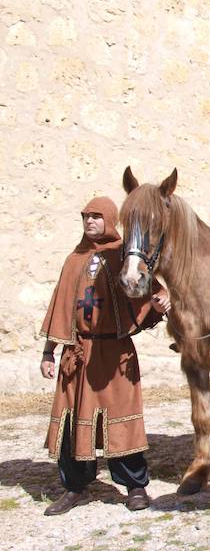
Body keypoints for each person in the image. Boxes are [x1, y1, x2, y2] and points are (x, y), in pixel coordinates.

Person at [40, 197, 170, 515]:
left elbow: (147, 288)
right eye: (86, 216)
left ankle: (136, 487)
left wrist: (160, 299)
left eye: (97, 217)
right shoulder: (74, 260)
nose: (90, 221)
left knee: (120, 420)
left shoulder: (123, 255)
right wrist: (49, 352)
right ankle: (75, 487)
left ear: (110, 219)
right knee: (73, 422)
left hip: (115, 352)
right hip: (78, 353)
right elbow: (59, 306)